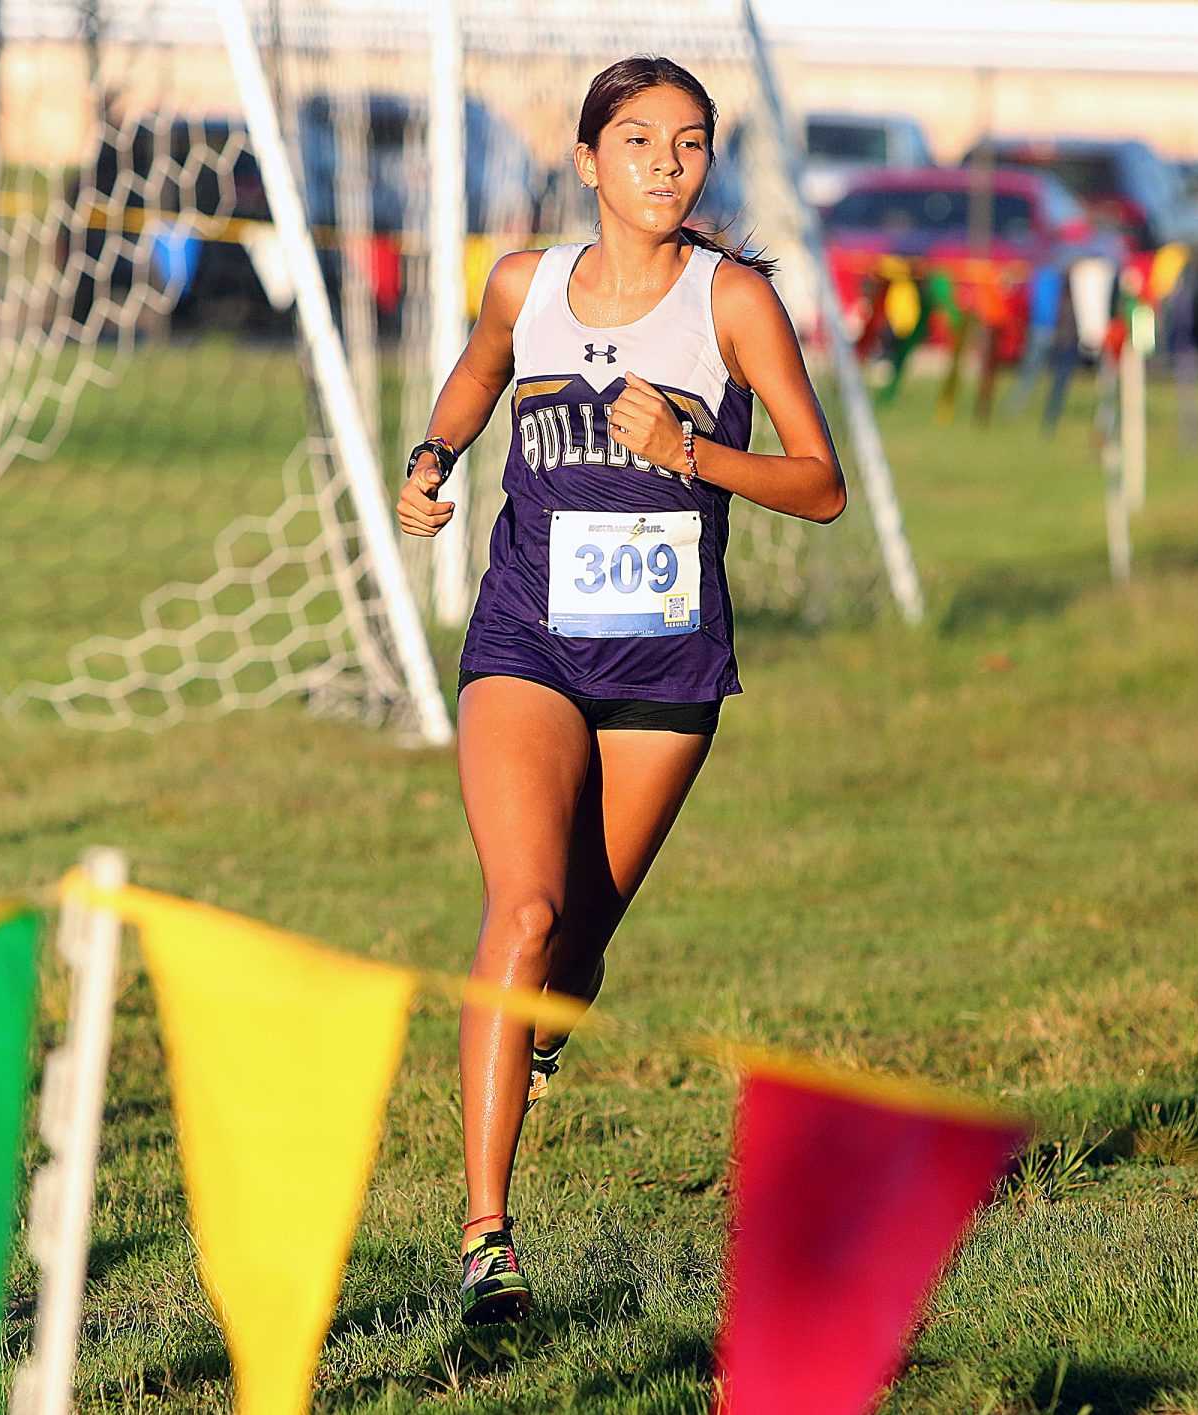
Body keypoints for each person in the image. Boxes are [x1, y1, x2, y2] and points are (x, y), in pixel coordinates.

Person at [395, 54, 846, 1327]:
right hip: (525, 641)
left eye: (690, 144)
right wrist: (435, 450)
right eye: (638, 139)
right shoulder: (526, 284)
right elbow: (484, 368)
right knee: (524, 910)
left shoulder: (735, 302)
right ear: (587, 160)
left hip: (664, 666)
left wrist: (694, 452)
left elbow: (820, 483)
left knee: (574, 950)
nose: (665, 162)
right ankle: (488, 1238)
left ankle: (532, 1028)